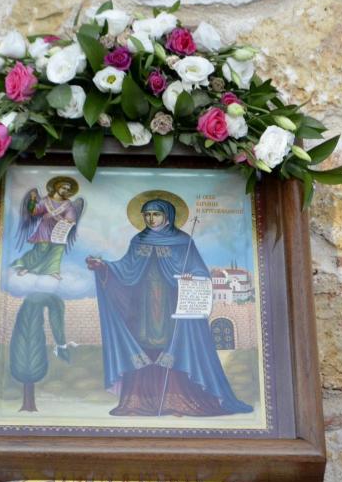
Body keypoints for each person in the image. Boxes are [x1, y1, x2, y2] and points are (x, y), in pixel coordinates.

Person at [86, 197, 252, 416]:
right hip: (144, 307)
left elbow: (200, 271)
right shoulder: (139, 240)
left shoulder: (183, 241)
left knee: (175, 344)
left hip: (173, 306)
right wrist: (104, 267)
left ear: (168, 216)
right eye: (147, 215)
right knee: (144, 344)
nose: (151, 219)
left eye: (156, 214)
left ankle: (179, 400)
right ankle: (140, 401)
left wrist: (190, 276)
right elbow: (125, 269)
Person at [13, 176, 84, 280]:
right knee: (42, 248)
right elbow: (34, 211)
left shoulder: (68, 204)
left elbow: (71, 218)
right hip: (45, 228)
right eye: (64, 188)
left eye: (68, 189)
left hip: (60, 229)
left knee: (58, 248)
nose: (66, 191)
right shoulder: (46, 201)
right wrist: (32, 199)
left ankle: (52, 270)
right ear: (57, 187)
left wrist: (56, 217)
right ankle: (27, 267)